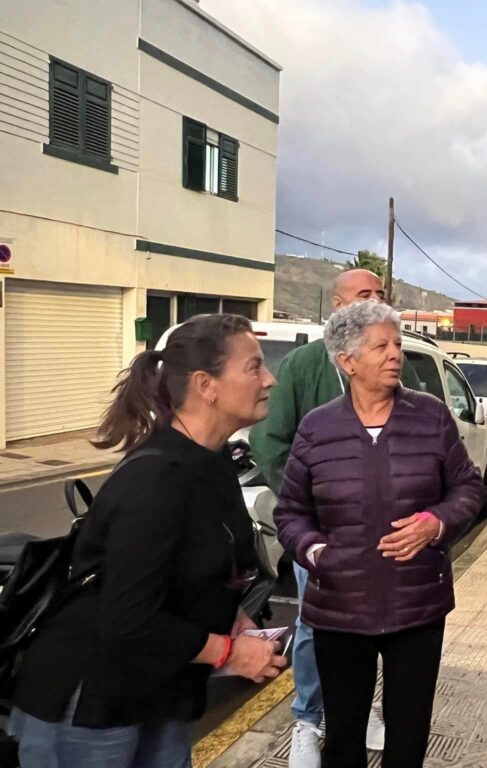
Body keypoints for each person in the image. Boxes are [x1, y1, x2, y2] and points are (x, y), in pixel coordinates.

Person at [7, 314, 287, 768]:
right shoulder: (157, 478)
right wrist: (228, 653)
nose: (270, 379)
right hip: (92, 704)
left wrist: (232, 618)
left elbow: (198, 566)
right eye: (254, 366)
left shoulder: (212, 461)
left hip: (161, 691)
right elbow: (129, 620)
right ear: (206, 385)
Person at [274, 301, 482, 768]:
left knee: (409, 731)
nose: (395, 355)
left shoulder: (430, 416)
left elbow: (468, 487)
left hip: (417, 602)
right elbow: (290, 512)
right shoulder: (317, 427)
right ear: (347, 361)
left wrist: (436, 523)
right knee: (343, 733)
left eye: (397, 344)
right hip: (340, 606)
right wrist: (316, 551)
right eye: (381, 346)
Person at [249, 268, 392, 765]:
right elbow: (269, 441)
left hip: (381, 532)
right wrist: (308, 503)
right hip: (319, 530)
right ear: (337, 305)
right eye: (363, 295)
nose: (375, 301)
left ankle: (359, 708)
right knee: (315, 625)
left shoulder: (395, 361)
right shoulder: (303, 365)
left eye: (380, 295)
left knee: (376, 623)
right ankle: (308, 719)